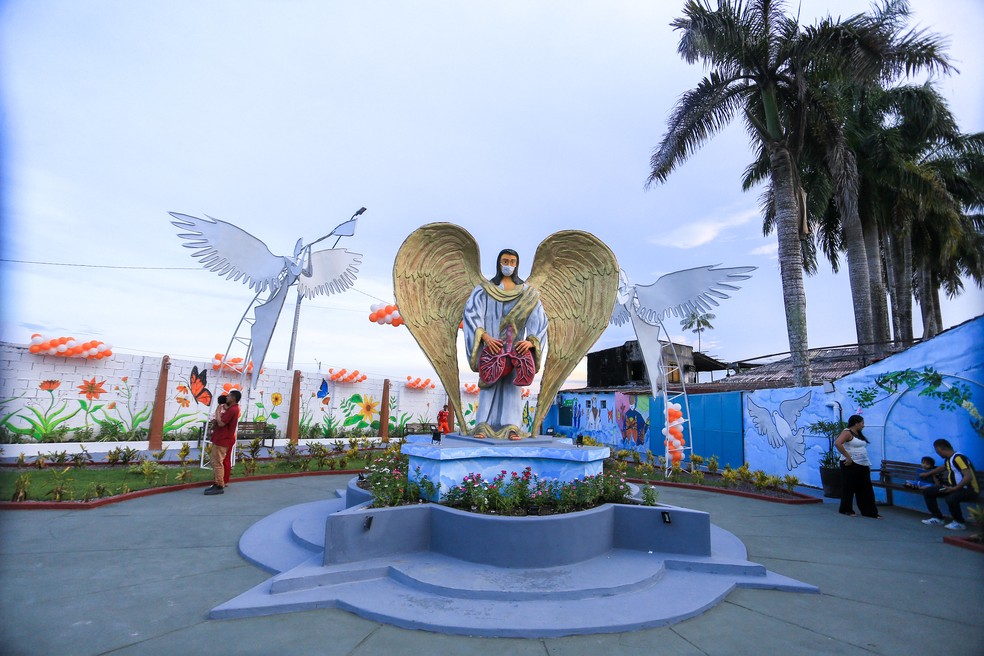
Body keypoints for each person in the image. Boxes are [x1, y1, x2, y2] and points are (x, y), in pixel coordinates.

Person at [463, 248, 548, 440]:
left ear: (517, 265)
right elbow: (471, 315)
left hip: (516, 350)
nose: (508, 265)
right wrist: (485, 337)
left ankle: (512, 427)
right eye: (505, 261)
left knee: (512, 386)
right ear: (498, 263)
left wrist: (530, 342)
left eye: (512, 262)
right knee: (489, 383)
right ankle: (483, 426)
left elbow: (539, 322)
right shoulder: (484, 290)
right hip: (492, 348)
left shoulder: (528, 294)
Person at [919, 439, 980, 530]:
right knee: (928, 491)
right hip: (953, 488)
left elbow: (968, 477)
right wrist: (928, 474)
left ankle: (959, 523)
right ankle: (938, 518)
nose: (937, 453)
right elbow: (942, 468)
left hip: (969, 490)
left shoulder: (958, 458)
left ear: (941, 449)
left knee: (951, 498)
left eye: (937, 451)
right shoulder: (949, 459)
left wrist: (954, 488)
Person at [834, 414, 881, 518]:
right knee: (849, 487)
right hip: (850, 463)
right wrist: (848, 457)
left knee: (866, 488)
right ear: (856, 423)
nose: (863, 425)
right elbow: (838, 443)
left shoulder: (859, 434)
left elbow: (863, 450)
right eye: (862, 423)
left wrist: (867, 464)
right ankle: (846, 509)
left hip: (862, 463)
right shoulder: (847, 432)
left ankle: (869, 511)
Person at [205, 389, 240, 495]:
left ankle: (219, 485)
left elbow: (221, 424)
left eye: (228, 396)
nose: (226, 398)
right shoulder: (231, 409)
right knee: (215, 462)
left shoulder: (233, 410)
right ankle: (217, 482)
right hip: (220, 438)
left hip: (223, 439)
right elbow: (220, 422)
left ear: (233, 398)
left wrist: (217, 412)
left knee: (218, 462)